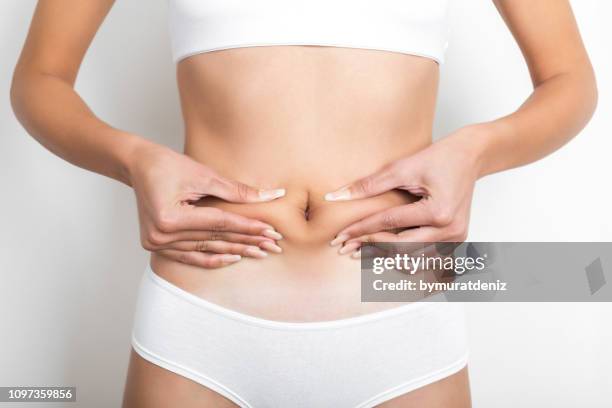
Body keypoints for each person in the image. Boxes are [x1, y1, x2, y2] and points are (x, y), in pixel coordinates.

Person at [10, 1, 597, 407]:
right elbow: (40, 76)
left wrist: (476, 150)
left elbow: (569, 79)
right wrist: (133, 159)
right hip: (203, 315)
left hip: (402, 311)